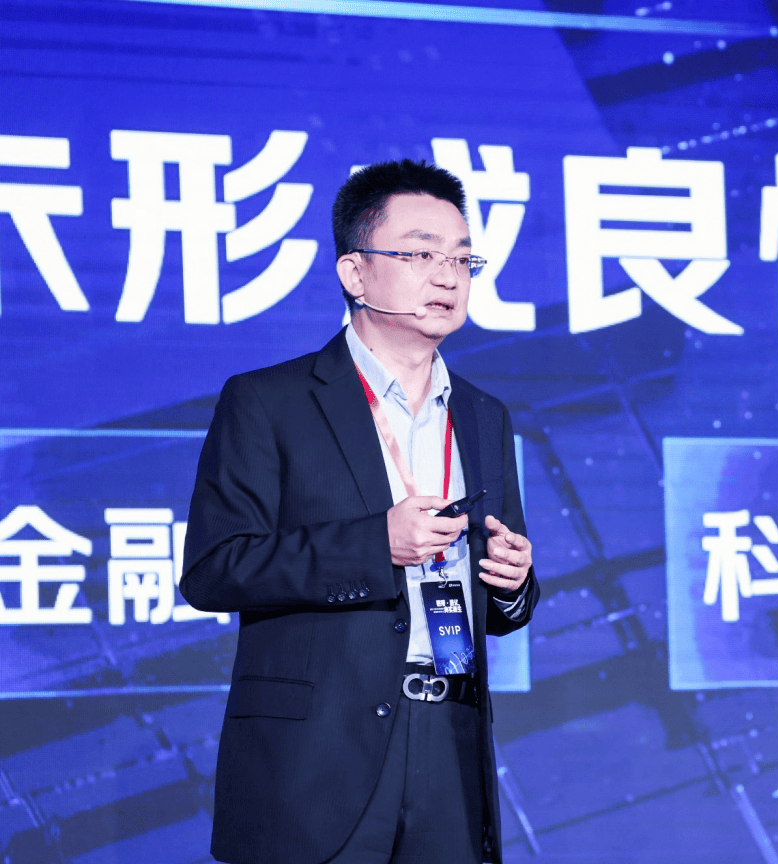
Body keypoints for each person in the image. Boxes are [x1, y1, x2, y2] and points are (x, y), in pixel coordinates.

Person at [180, 159, 539, 864]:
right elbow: (214, 568)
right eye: (420, 255)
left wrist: (513, 581)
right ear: (355, 273)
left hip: (450, 743)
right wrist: (378, 545)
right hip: (317, 754)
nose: (448, 277)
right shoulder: (269, 400)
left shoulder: (483, 414)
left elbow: (501, 609)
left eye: (461, 258)